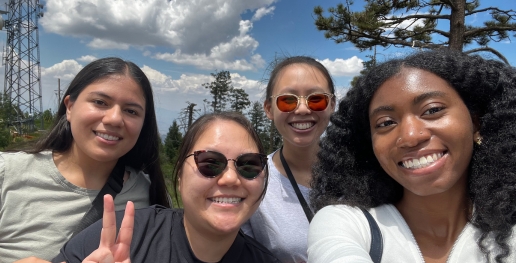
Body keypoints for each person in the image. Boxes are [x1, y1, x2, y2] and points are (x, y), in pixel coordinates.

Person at [308, 49, 516, 263]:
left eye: (432, 110)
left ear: (476, 123)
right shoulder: (345, 223)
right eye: (386, 123)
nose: (410, 137)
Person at [0, 57, 170, 262]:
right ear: (69, 107)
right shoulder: (6, 174)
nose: (114, 119)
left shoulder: (149, 197)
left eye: (131, 111)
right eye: (100, 102)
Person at [52, 112, 281, 263]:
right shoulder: (120, 237)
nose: (230, 178)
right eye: (210, 162)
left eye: (249, 165)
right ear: (179, 176)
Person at [241, 56, 336, 262]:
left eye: (316, 99)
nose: (302, 109)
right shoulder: (252, 182)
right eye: (287, 101)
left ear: (332, 105)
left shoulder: (361, 174)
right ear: (269, 109)